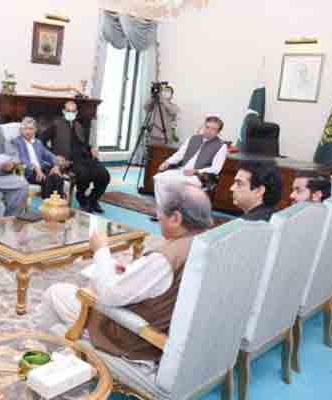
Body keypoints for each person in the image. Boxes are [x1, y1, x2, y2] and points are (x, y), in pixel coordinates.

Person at [37, 183, 212, 367]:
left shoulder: (165, 259)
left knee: (55, 293)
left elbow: (110, 295)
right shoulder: (205, 243)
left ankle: (46, 364)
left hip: (133, 337)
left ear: (176, 218)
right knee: (97, 280)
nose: (157, 217)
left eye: (159, 213)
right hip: (170, 324)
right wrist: (133, 273)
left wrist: (101, 250)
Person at [39, 100, 110, 213]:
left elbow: (83, 143)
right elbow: (40, 142)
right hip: (69, 161)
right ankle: (82, 199)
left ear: (76, 112)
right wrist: (53, 156)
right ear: (63, 111)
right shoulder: (55, 124)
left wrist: (91, 148)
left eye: (73, 111)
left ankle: (93, 199)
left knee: (104, 175)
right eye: (68, 111)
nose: (71, 113)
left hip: (85, 157)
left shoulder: (79, 125)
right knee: (84, 174)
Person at [154, 115, 228, 208]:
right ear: (203, 126)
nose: (208, 130)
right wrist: (167, 162)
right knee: (159, 178)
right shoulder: (193, 138)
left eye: (213, 129)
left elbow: (216, 169)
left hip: (200, 176)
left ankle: (172, 210)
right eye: (207, 127)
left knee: (175, 183)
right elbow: (179, 154)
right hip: (182, 170)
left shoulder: (221, 146)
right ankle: (163, 209)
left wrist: (196, 171)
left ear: (218, 132)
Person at [13, 117, 65, 200]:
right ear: (21, 130)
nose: (28, 131)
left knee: (58, 178)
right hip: (28, 172)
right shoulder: (16, 142)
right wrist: (35, 168)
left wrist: (56, 166)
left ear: (35, 130)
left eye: (31, 129)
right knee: (48, 180)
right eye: (25, 128)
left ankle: (59, 207)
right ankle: (47, 208)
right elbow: (21, 159)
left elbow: (49, 155)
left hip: (42, 169)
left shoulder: (38, 142)